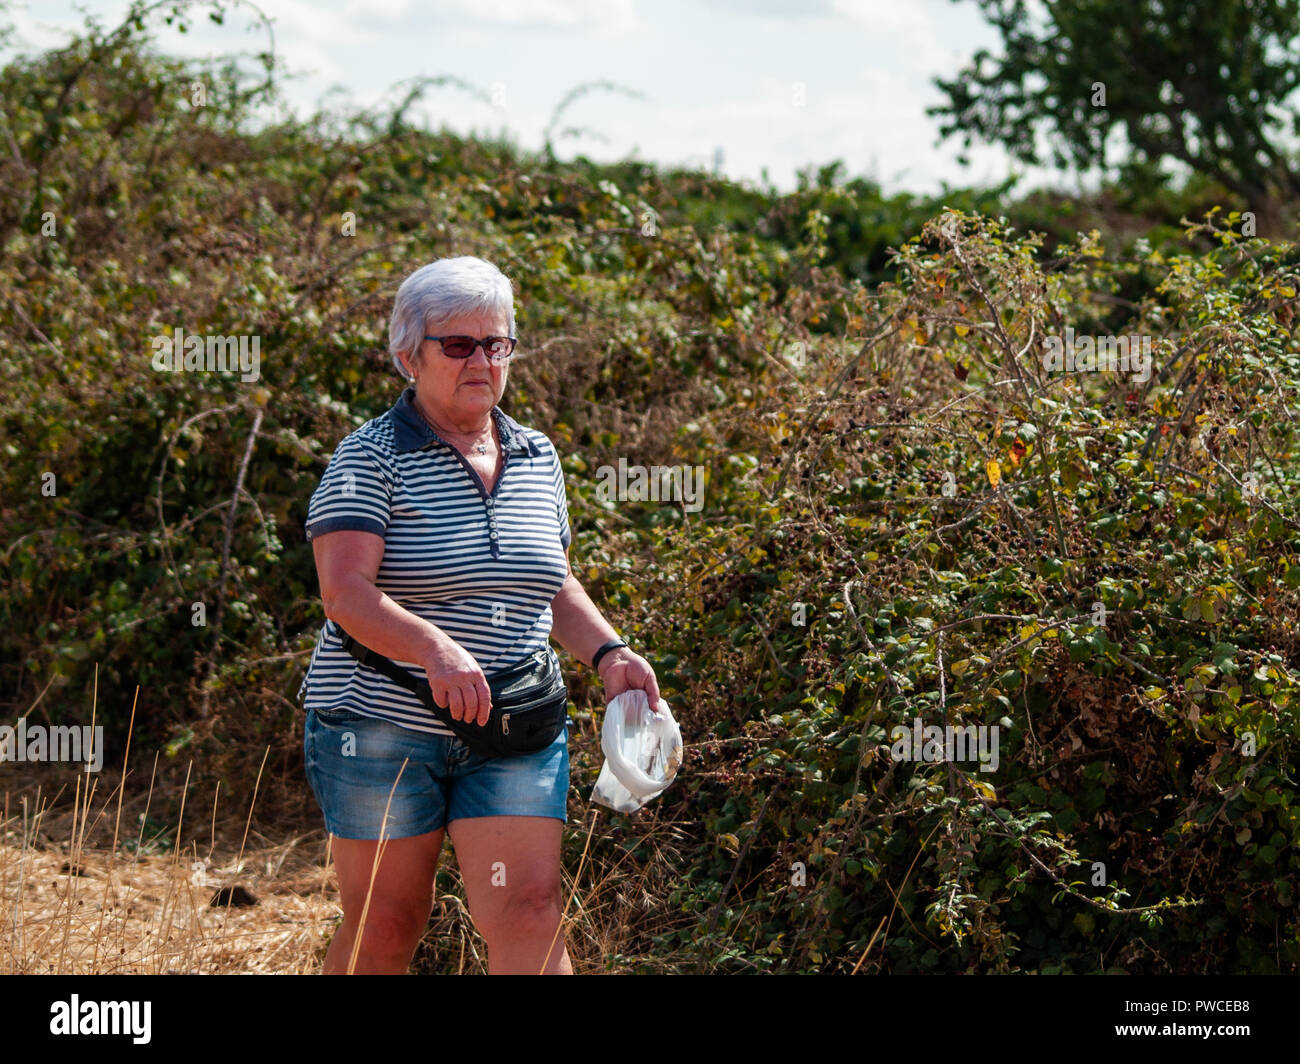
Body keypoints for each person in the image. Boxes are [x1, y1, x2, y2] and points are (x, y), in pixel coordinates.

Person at [299, 255, 661, 974]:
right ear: (409, 355)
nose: (482, 360)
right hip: (381, 726)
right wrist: (433, 648)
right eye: (458, 345)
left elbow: (551, 581)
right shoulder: (369, 459)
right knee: (387, 924)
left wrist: (610, 654)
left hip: (512, 724)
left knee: (527, 909)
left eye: (497, 344)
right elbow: (344, 593)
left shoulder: (536, 455)